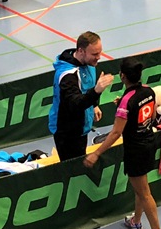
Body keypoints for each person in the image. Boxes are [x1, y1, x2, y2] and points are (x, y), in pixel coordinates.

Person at [84, 57, 161, 229]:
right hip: (149, 142)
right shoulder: (148, 91)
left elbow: (115, 133)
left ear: (122, 76)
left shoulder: (126, 102)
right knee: (141, 188)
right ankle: (136, 221)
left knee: (144, 193)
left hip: (135, 150)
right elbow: (152, 115)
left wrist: (96, 153)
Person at [49, 32, 114, 161]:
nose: (99, 57)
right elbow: (75, 104)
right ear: (81, 51)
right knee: (73, 168)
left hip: (81, 126)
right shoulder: (67, 76)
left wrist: (94, 105)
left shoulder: (88, 63)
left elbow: (87, 87)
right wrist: (96, 92)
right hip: (67, 131)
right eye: (95, 54)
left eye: (100, 52)